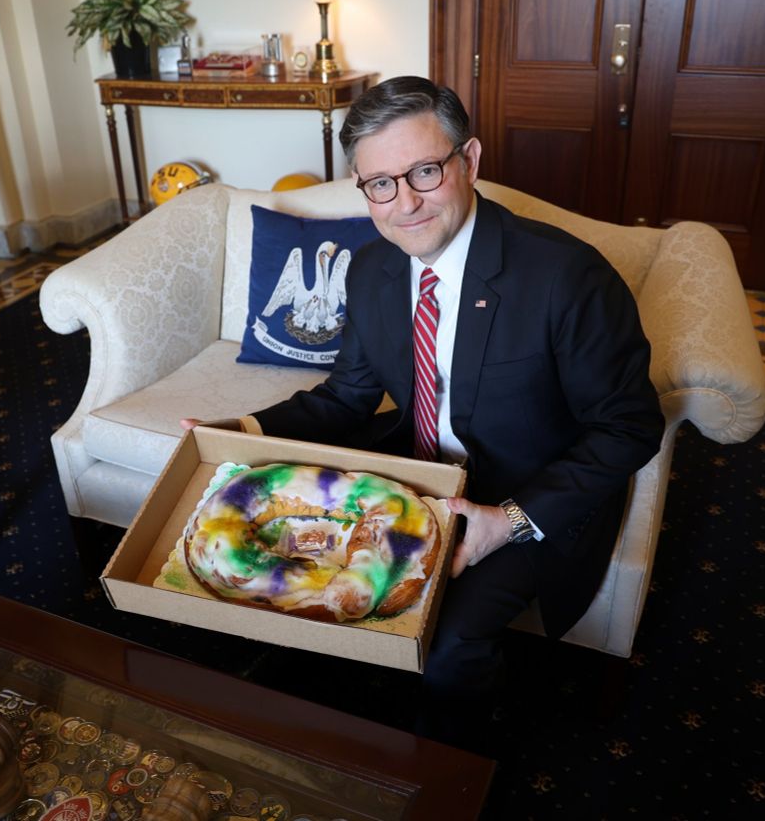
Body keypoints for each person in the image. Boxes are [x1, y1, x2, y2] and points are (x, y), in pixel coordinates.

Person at [182, 75, 664, 751]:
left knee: (450, 644)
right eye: (380, 182)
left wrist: (512, 522)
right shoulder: (372, 268)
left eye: (424, 172)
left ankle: (446, 771)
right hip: (418, 476)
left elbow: (630, 426)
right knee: (284, 576)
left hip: (527, 494)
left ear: (469, 161)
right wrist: (237, 432)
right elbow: (345, 398)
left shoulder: (568, 278)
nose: (403, 203)